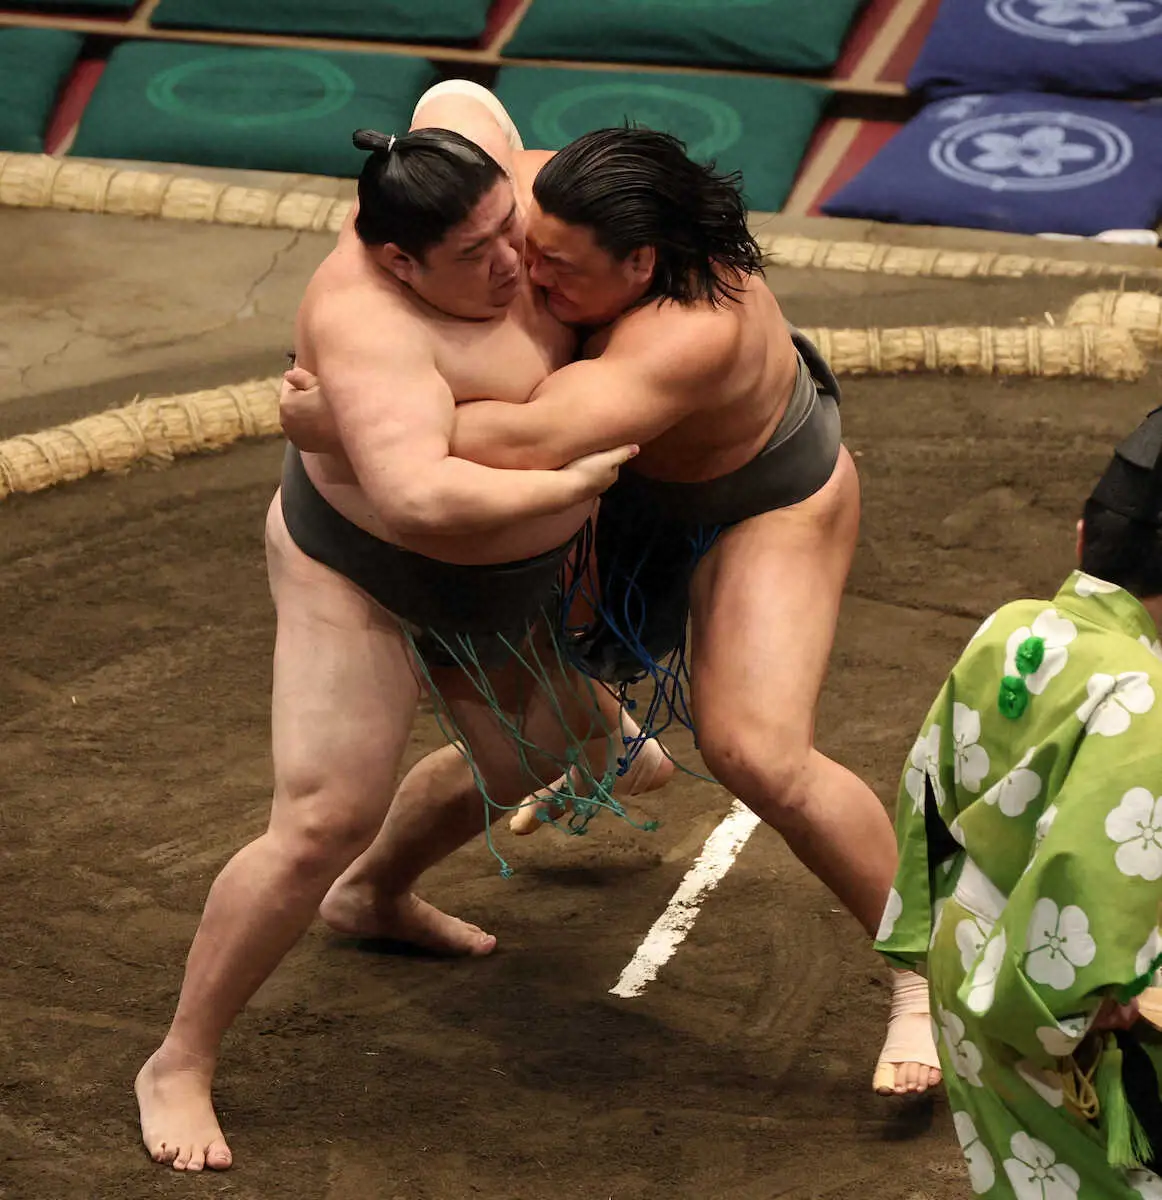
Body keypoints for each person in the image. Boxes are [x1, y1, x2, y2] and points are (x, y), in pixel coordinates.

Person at [286, 104, 942, 1100]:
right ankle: (374, 888)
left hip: (758, 499)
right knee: (531, 736)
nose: (525, 275)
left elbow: (536, 439)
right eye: (522, 244)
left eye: (556, 269)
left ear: (639, 264)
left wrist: (352, 414)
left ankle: (923, 979)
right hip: (611, 492)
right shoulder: (535, 203)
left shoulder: (693, 329)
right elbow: (429, 151)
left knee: (758, 752)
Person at [134, 84, 668, 1174]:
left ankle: (374, 896)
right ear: (399, 263)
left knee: (534, 754)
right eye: (475, 255)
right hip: (362, 569)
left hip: (502, 588)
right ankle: (178, 1060)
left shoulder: (479, 186)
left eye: (508, 229)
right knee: (323, 815)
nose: (513, 265)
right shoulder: (365, 325)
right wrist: (569, 480)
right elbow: (420, 498)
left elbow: (459, 93)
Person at [876, 406, 1162, 1197]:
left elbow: (925, 788)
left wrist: (922, 940)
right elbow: (1092, 866)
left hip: (966, 952)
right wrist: (1087, 994)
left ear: (1082, 538)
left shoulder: (1010, 629)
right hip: (1049, 998)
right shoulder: (1143, 695)